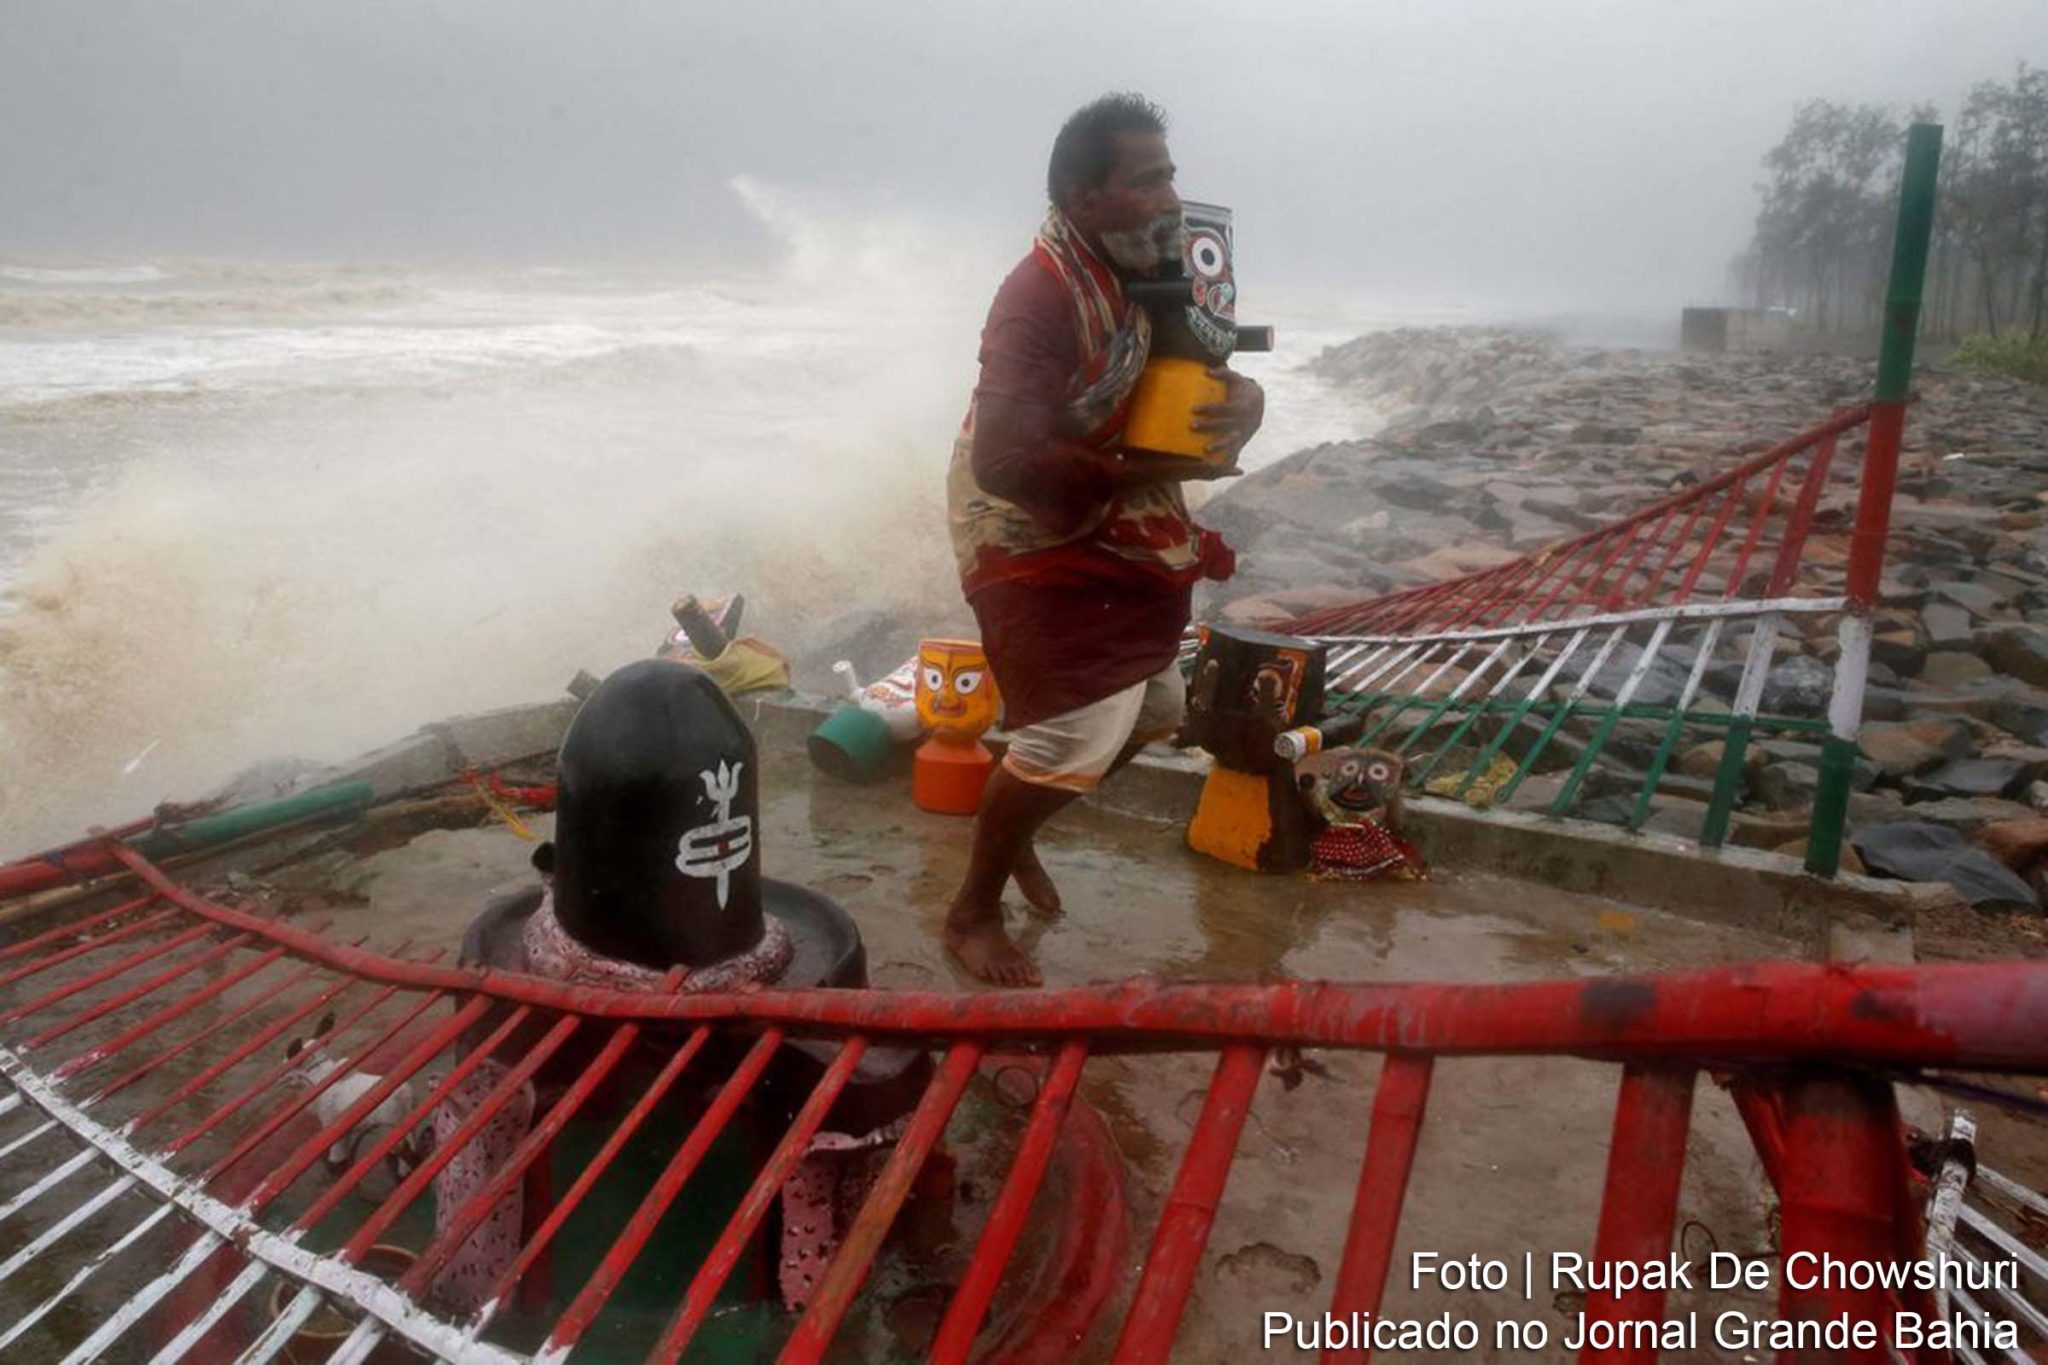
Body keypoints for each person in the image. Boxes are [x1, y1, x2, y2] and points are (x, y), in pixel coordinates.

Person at [943, 92, 1265, 986]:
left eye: (1170, 175)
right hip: (1020, 517)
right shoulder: (1036, 296)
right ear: (1084, 200)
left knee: (1157, 713)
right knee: (1061, 739)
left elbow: (1209, 374)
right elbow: (1006, 462)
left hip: (1116, 496)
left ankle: (1016, 836)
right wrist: (1135, 473)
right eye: (1147, 179)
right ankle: (972, 907)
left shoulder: (1149, 263)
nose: (1170, 197)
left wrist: (1247, 402)